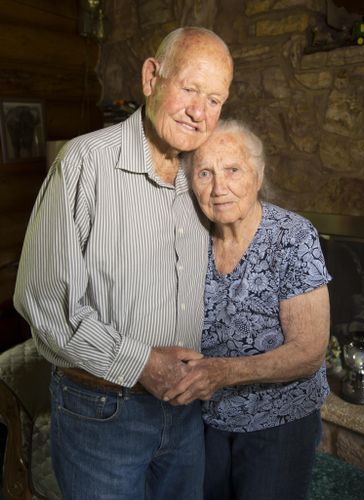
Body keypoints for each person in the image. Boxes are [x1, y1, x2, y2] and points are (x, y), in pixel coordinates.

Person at [13, 27, 233, 500]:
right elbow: (46, 303)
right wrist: (142, 364)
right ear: (152, 77)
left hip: (185, 414)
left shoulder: (204, 177)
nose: (200, 113)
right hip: (101, 413)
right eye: (190, 89)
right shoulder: (84, 163)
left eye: (215, 100)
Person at [165, 119, 331, 500]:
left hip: (278, 421)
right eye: (205, 173)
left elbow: (308, 353)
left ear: (258, 174)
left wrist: (223, 372)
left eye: (233, 170)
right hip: (205, 419)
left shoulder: (292, 237)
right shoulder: (191, 239)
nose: (219, 188)